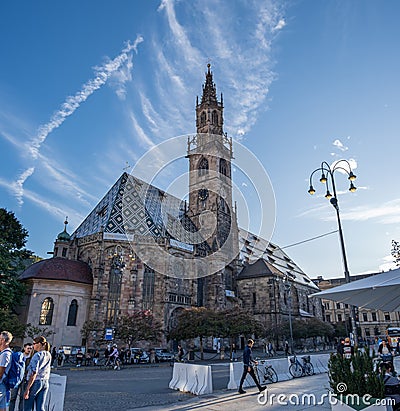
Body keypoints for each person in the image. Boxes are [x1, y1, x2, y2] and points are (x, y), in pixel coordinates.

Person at [23, 335, 52, 411]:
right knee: (40, 407)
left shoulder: (37, 355)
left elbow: (34, 372)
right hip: (45, 381)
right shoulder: (48, 354)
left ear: (39, 344)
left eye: (34, 343)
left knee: (27, 407)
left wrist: (27, 389)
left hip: (35, 382)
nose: (33, 345)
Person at [9, 342, 33, 411]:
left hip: (25, 379)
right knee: (13, 397)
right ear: (24, 348)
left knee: (22, 398)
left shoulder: (31, 358)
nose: (29, 350)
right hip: (16, 378)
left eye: (31, 349)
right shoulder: (19, 356)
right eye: (28, 348)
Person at [0, 331, 13, 411]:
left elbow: (0, 372)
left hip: (1, 383)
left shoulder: (5, 354)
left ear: (3, 340)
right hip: (3, 384)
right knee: (2, 407)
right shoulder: (7, 353)